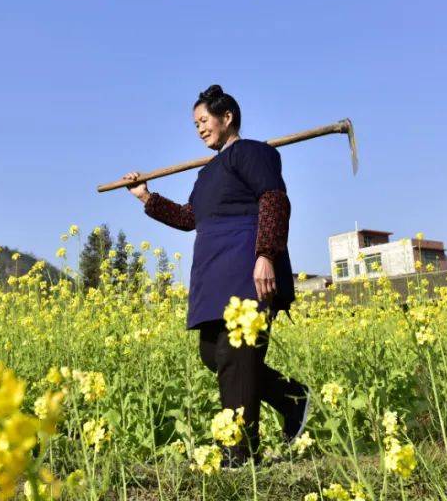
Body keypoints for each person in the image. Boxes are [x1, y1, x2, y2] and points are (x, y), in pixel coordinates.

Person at [122, 85, 309, 466]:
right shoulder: (207, 173)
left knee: (236, 354)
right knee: (214, 353)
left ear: (227, 118)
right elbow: (190, 219)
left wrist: (265, 255)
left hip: (246, 266)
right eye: (195, 125)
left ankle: (239, 454)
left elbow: (274, 199)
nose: (199, 130)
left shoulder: (253, 152)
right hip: (213, 270)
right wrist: (146, 197)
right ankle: (293, 399)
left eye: (203, 121)